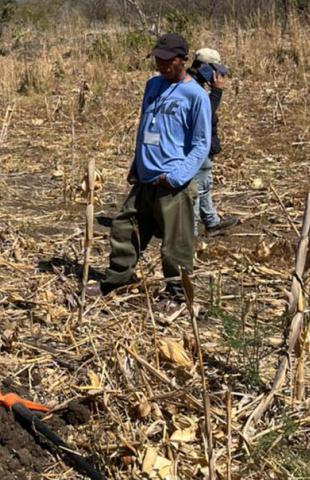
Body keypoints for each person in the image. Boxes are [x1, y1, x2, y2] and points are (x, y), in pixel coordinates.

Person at [87, 34, 211, 302]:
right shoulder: (152, 85)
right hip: (145, 178)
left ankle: (177, 295)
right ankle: (116, 281)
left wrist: (176, 176)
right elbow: (145, 128)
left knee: (175, 247)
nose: (161, 64)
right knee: (124, 229)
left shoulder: (196, 96)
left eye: (168, 60)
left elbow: (202, 143)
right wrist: (136, 164)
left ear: (183, 60)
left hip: (173, 181)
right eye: (158, 59)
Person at [188, 47, 238, 234]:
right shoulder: (192, 87)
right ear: (204, 68)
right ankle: (190, 231)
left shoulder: (195, 84)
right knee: (196, 188)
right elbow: (204, 116)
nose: (218, 74)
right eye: (214, 69)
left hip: (203, 145)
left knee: (204, 184)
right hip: (197, 146)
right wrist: (216, 92)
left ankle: (211, 220)